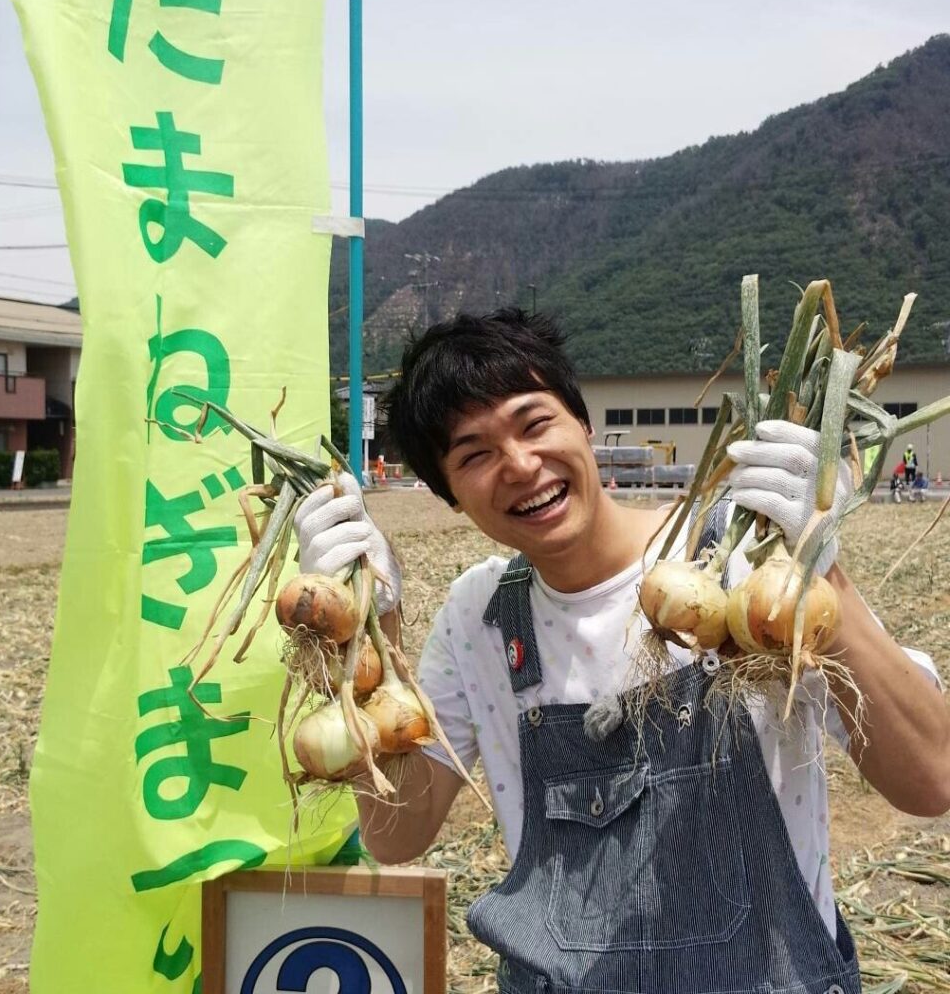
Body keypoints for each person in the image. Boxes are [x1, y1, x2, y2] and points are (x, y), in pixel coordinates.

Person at [294, 309, 950, 994]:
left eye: (535, 422)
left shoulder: (749, 565)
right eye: (475, 454)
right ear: (450, 496)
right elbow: (398, 837)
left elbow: (931, 780)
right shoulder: (480, 616)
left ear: (583, 424)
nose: (520, 465)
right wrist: (368, 635)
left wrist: (821, 566)